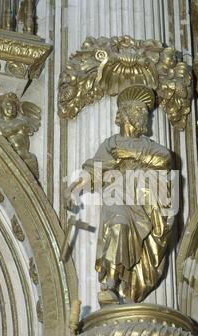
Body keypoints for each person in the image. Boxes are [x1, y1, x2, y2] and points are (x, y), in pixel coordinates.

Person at [65, 85, 174, 306]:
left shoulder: (150, 145)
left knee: (155, 234)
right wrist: (74, 188)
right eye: (140, 111)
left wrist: (133, 154)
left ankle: (129, 284)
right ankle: (110, 284)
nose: (145, 116)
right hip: (118, 196)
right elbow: (94, 170)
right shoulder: (111, 144)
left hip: (147, 201)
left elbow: (165, 159)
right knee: (118, 224)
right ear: (126, 113)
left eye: (146, 112)